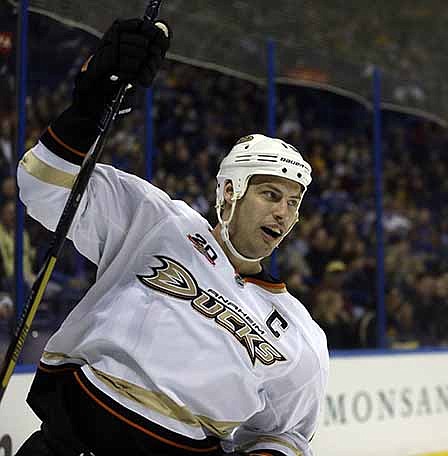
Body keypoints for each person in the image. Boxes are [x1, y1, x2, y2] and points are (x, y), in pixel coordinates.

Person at [15, 17, 328, 456]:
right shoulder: (158, 223)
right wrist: (91, 107)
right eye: (271, 194)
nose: (283, 211)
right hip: (67, 444)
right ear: (230, 192)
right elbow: (44, 186)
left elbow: (286, 435)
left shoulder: (300, 334)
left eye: (294, 202)